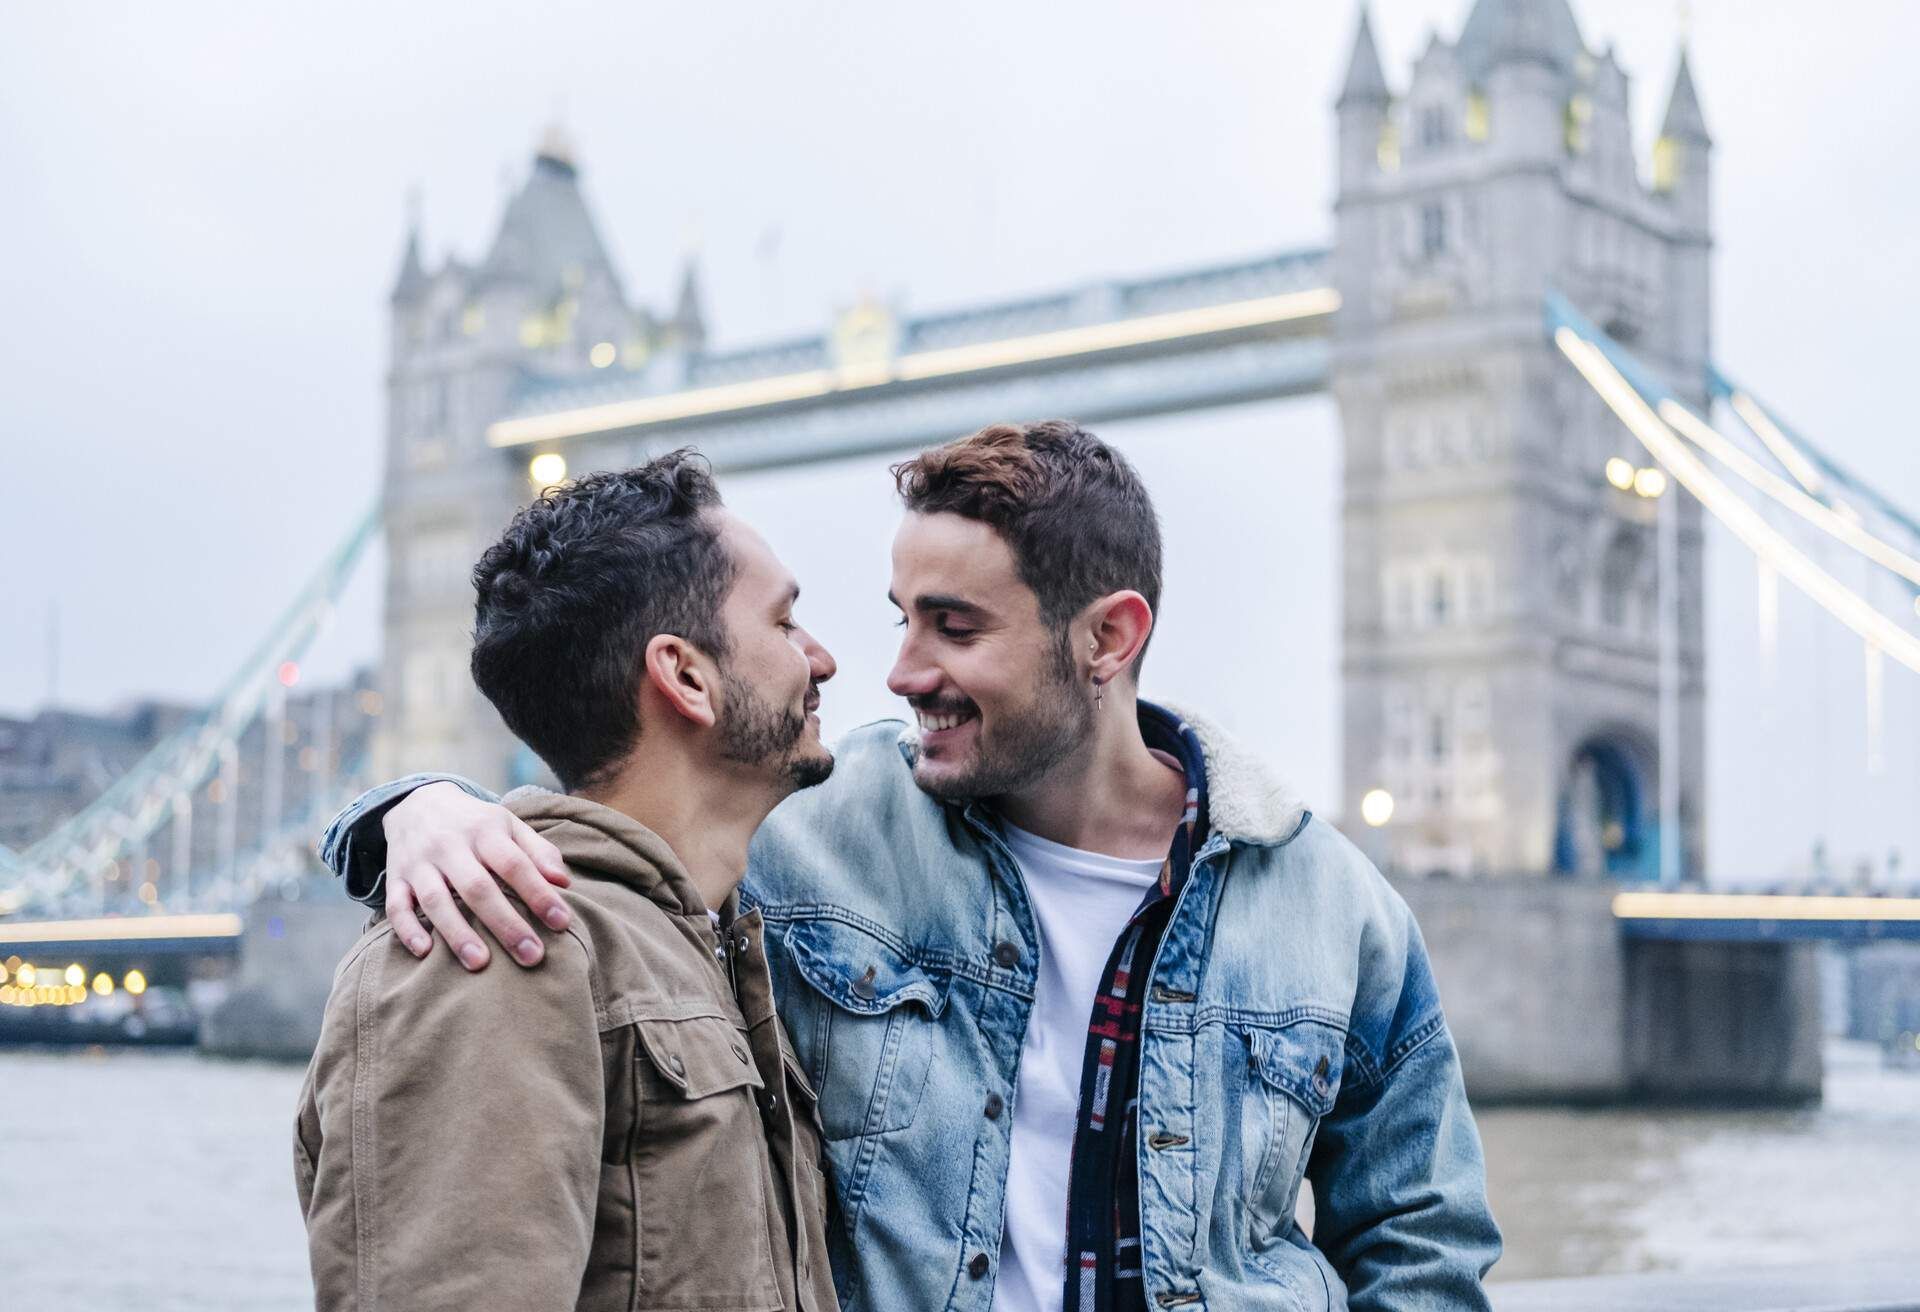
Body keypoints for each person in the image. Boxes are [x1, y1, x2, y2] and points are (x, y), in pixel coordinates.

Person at [321, 420, 1502, 1311]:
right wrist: (414, 812)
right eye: (898, 617)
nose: (894, 670)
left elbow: (1422, 1246)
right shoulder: (811, 828)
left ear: (1110, 636)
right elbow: (616, 815)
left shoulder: (1334, 907)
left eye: (957, 626)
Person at [296, 453, 840, 1311]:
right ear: (686, 676)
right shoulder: (490, 951)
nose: (825, 659)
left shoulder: (708, 939)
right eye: (785, 625)